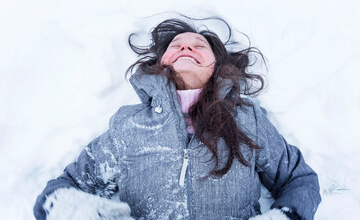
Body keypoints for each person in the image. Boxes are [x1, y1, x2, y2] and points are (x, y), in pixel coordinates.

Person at [33, 17, 321, 220]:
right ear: (160, 64)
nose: (186, 48)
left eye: (199, 45)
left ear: (216, 66)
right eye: (176, 45)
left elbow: (300, 180)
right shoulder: (128, 127)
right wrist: (75, 211)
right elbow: (60, 192)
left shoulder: (248, 119)